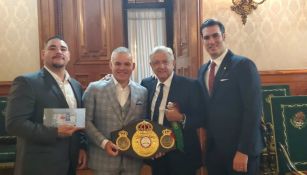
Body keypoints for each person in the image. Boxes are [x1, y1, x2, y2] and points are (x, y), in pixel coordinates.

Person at [5, 35, 87, 175]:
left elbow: (77, 120)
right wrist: (55, 132)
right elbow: (14, 124)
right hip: (39, 165)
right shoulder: (26, 82)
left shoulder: (76, 86)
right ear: (43, 54)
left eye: (63, 48)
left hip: (70, 163)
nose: (59, 51)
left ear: (68, 55)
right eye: (52, 48)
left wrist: (81, 146)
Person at [198, 18, 264, 175]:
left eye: (215, 36)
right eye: (206, 37)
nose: (211, 41)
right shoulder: (203, 70)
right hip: (214, 153)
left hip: (240, 152)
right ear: (202, 40)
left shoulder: (243, 65)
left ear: (224, 36)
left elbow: (253, 111)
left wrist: (243, 151)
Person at [83, 47, 147, 175]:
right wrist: (104, 143)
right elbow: (85, 121)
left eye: (127, 64)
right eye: (118, 63)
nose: (122, 68)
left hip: (132, 163)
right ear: (110, 65)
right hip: (102, 161)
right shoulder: (94, 89)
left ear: (133, 66)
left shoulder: (142, 92)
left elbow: (143, 123)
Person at [141, 46, 204, 175]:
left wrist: (181, 118)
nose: (161, 66)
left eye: (165, 62)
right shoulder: (146, 84)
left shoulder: (191, 85)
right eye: (156, 63)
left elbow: (201, 118)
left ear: (173, 63)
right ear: (150, 65)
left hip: (182, 156)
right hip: (156, 154)